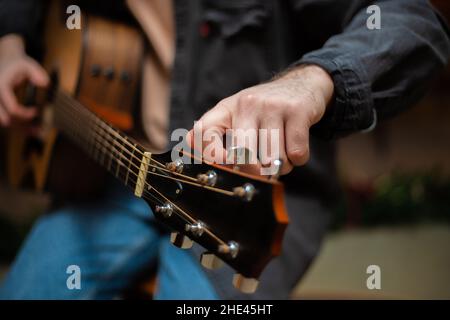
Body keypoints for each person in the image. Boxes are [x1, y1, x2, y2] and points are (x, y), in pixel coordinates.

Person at [0, 0, 449, 299]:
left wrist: (313, 80)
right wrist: (9, 44)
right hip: (112, 176)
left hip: (244, 197)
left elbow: (413, 21)